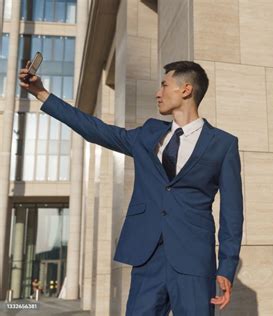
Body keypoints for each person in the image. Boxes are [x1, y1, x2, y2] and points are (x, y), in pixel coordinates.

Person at [19, 60, 244, 315]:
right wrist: (42, 94)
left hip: (194, 259)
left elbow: (232, 213)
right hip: (147, 257)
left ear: (186, 90)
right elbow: (97, 130)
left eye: (164, 85)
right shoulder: (149, 134)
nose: (158, 93)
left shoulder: (223, 144)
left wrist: (226, 266)